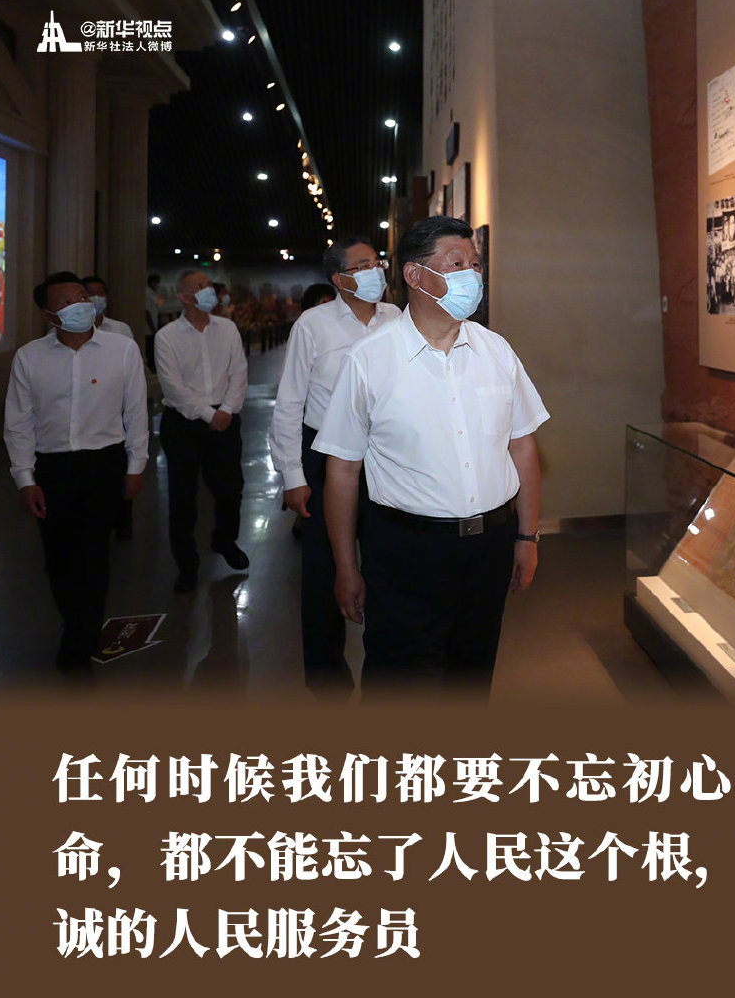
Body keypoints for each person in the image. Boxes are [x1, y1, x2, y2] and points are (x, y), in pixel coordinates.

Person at [314, 215, 549, 696]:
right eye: (457, 263)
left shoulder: (497, 351)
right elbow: (342, 470)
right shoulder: (369, 359)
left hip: (488, 547)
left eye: (475, 264)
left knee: (471, 676)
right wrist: (346, 566)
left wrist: (527, 536)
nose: (472, 275)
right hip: (407, 552)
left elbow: (523, 444)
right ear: (415, 275)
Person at [269, 237, 401, 693]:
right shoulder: (313, 324)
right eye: (363, 265)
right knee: (325, 568)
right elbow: (289, 401)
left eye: (377, 262)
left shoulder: (396, 318)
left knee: (385, 562)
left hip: (383, 454)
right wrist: (292, 475)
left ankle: (387, 668)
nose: (376, 271)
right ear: (340, 279)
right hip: (325, 454)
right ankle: (326, 679)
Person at [4, 271, 148, 682]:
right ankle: (76, 623)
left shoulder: (121, 349)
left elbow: (136, 411)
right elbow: (18, 422)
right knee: (58, 558)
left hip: (104, 464)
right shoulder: (29, 357)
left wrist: (136, 466)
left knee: (93, 554)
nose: (80, 305)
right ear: (48, 314)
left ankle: (79, 641)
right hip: (53, 468)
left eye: (82, 296)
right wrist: (25, 479)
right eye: (66, 301)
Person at [155, 269, 249, 592]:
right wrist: (209, 414)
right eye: (200, 286)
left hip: (225, 417)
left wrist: (225, 410)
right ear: (184, 297)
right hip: (183, 423)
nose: (209, 289)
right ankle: (187, 564)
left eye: (209, 284)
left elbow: (239, 372)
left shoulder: (228, 329)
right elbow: (173, 387)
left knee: (230, 488)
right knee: (183, 496)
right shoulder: (167, 337)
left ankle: (225, 539)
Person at [82, 275, 136, 539]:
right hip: (86, 412)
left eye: (100, 292)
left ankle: (122, 520)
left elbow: (133, 372)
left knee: (120, 470)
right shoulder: (61, 333)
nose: (96, 298)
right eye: (89, 293)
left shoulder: (121, 330)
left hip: (117, 410)